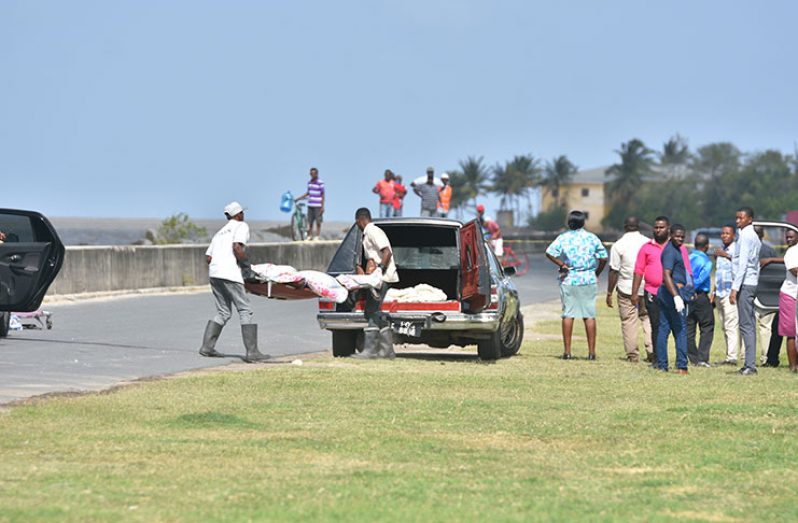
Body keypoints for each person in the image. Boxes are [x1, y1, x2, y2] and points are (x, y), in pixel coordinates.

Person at [198, 201, 270, 363]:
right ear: (239, 214)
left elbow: (209, 258)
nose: (244, 215)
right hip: (230, 274)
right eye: (242, 213)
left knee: (223, 312)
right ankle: (252, 352)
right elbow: (237, 247)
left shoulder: (219, 233)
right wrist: (246, 267)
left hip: (215, 274)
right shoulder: (241, 226)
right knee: (245, 310)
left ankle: (207, 347)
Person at [545, 210, 608, 360]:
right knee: (589, 315)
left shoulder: (563, 238)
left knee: (568, 314)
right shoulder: (591, 238)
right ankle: (591, 353)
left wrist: (562, 264)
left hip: (569, 279)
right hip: (588, 278)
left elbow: (549, 252)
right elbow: (603, 257)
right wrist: (596, 273)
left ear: (569, 222)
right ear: (583, 222)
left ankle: (567, 352)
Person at [351, 207, 400, 359]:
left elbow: (387, 251)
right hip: (378, 277)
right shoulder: (368, 233)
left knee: (371, 311)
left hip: (383, 277)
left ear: (360, 220)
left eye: (357, 223)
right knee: (375, 311)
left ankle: (370, 351)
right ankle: (387, 351)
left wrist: (379, 270)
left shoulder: (372, 231)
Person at [606, 216, 652, 363]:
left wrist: (609, 292)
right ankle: (652, 350)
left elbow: (614, 270)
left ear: (625, 227)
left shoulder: (618, 245)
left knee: (628, 321)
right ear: (639, 226)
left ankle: (632, 355)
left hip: (626, 287)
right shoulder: (648, 243)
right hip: (647, 286)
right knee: (648, 318)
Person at [631, 217, 671, 365]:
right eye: (656, 227)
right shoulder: (646, 247)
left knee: (672, 326)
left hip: (671, 293)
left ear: (668, 229)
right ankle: (658, 359)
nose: (658, 230)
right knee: (656, 325)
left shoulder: (674, 247)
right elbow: (638, 271)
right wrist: (634, 293)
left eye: (661, 227)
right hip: (651, 292)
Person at [656, 224, 691, 374]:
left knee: (664, 328)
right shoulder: (670, 251)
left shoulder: (675, 249)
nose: (680, 239)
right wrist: (676, 296)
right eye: (677, 236)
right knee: (680, 329)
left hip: (666, 292)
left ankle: (662, 364)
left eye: (682, 236)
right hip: (672, 292)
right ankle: (682, 366)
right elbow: (666, 275)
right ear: (670, 234)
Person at [730, 206, 761, 375]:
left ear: (749, 219)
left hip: (745, 284)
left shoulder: (747, 236)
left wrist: (735, 288)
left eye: (741, 218)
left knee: (746, 325)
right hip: (750, 282)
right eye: (736, 217)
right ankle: (749, 363)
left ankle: (750, 365)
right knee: (747, 324)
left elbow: (743, 264)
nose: (737, 221)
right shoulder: (752, 235)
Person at [713, 224, 741, 365]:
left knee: (731, 325)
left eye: (727, 233)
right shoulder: (720, 250)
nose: (724, 235)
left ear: (733, 235)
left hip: (730, 293)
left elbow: (740, 266)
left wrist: (727, 256)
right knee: (724, 325)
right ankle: (729, 354)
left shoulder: (736, 249)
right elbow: (718, 273)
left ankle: (732, 357)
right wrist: (714, 291)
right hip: (720, 293)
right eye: (722, 233)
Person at [686, 234, 714, 367]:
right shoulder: (706, 262)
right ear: (707, 246)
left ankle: (692, 357)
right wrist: (693, 288)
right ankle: (702, 358)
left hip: (687, 296)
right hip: (700, 296)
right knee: (707, 325)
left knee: (689, 327)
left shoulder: (688, 258)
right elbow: (700, 279)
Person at [755, 225, 778, 364]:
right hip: (768, 294)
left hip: (751, 292)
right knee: (766, 328)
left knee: (747, 327)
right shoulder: (770, 250)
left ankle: (746, 357)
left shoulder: (748, 248)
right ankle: (765, 358)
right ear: (763, 235)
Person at [777, 229, 798, 372]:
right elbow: (795, 271)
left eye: (791, 236)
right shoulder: (791, 252)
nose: (788, 239)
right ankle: (792, 366)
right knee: (791, 332)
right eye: (787, 237)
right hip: (790, 295)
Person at [294, 167, 325, 240]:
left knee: (318, 221)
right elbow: (308, 193)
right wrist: (298, 198)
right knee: (310, 221)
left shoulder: (320, 182)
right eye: (311, 174)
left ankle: (317, 236)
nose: (312, 175)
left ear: (316, 174)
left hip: (318, 205)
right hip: (310, 205)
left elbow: (323, 195)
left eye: (313, 173)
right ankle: (309, 235)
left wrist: (322, 206)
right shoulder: (309, 183)